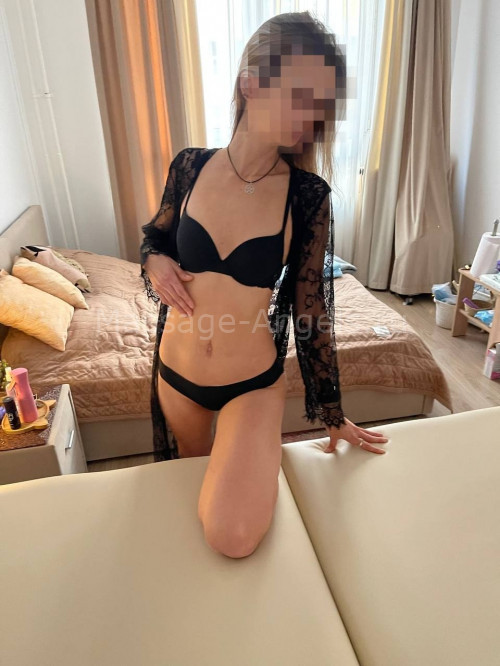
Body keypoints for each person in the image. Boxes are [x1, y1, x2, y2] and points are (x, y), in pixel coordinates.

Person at [140, 11, 388, 558]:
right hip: (175, 375)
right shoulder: (189, 167)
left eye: (320, 103)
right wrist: (154, 261)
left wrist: (331, 410)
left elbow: (311, 308)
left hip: (249, 383)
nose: (311, 116)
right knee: (181, 505)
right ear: (251, 83)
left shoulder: (306, 195)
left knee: (231, 535)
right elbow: (155, 236)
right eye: (300, 95)